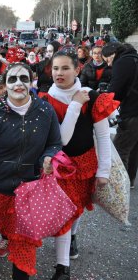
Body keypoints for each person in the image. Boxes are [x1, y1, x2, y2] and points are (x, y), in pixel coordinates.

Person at [0, 63, 62, 280]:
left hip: (31, 187)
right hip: (0, 187)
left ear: (32, 81)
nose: (18, 84)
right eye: (12, 79)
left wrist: (48, 157)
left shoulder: (45, 110)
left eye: (24, 78)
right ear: (5, 85)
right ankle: (6, 237)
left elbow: (55, 143)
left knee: (23, 244)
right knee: (8, 230)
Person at [40, 49, 116, 279]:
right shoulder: (45, 100)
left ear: (77, 69)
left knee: (77, 208)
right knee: (64, 212)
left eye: (65, 68)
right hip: (58, 165)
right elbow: (60, 140)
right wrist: (74, 105)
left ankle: (72, 236)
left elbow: (103, 136)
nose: (59, 73)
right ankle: (62, 267)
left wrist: (104, 171)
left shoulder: (92, 97)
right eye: (55, 68)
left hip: (85, 163)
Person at [104, 42, 138, 188]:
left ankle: (121, 185)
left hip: (132, 111)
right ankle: (129, 180)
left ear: (114, 53)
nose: (109, 64)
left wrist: (104, 100)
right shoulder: (135, 58)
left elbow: (115, 90)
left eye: (108, 60)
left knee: (120, 149)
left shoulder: (122, 62)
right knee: (134, 148)